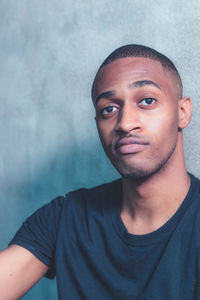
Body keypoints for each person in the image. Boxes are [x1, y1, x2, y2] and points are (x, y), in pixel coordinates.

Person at [0, 44, 198, 300]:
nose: (126, 123)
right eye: (109, 109)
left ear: (182, 112)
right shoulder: (64, 218)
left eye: (147, 101)